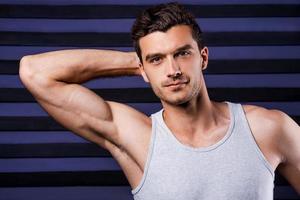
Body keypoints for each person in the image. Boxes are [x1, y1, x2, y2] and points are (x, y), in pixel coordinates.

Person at [19, 2, 299, 200]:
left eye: (182, 54)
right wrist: (137, 62)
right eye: (157, 59)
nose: (173, 70)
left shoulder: (269, 129)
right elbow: (34, 72)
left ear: (203, 57)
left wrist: (151, 61)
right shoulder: (137, 137)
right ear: (142, 69)